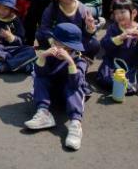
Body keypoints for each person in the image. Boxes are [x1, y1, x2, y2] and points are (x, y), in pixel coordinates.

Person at [24, 23, 90, 151]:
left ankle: (75, 124)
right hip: (52, 94)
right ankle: (44, 113)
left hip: (69, 95)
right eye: (56, 44)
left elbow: (75, 83)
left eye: (65, 48)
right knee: (40, 78)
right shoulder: (50, 56)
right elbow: (40, 74)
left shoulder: (80, 61)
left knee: (74, 87)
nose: (58, 49)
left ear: (72, 48)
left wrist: (70, 62)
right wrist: (43, 56)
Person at [95, 0, 138, 95]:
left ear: (134, 13)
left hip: (130, 65)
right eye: (116, 13)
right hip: (111, 62)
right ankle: (118, 83)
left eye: (122, 12)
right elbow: (104, 44)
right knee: (104, 80)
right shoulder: (113, 28)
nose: (119, 16)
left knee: (129, 87)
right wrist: (119, 38)